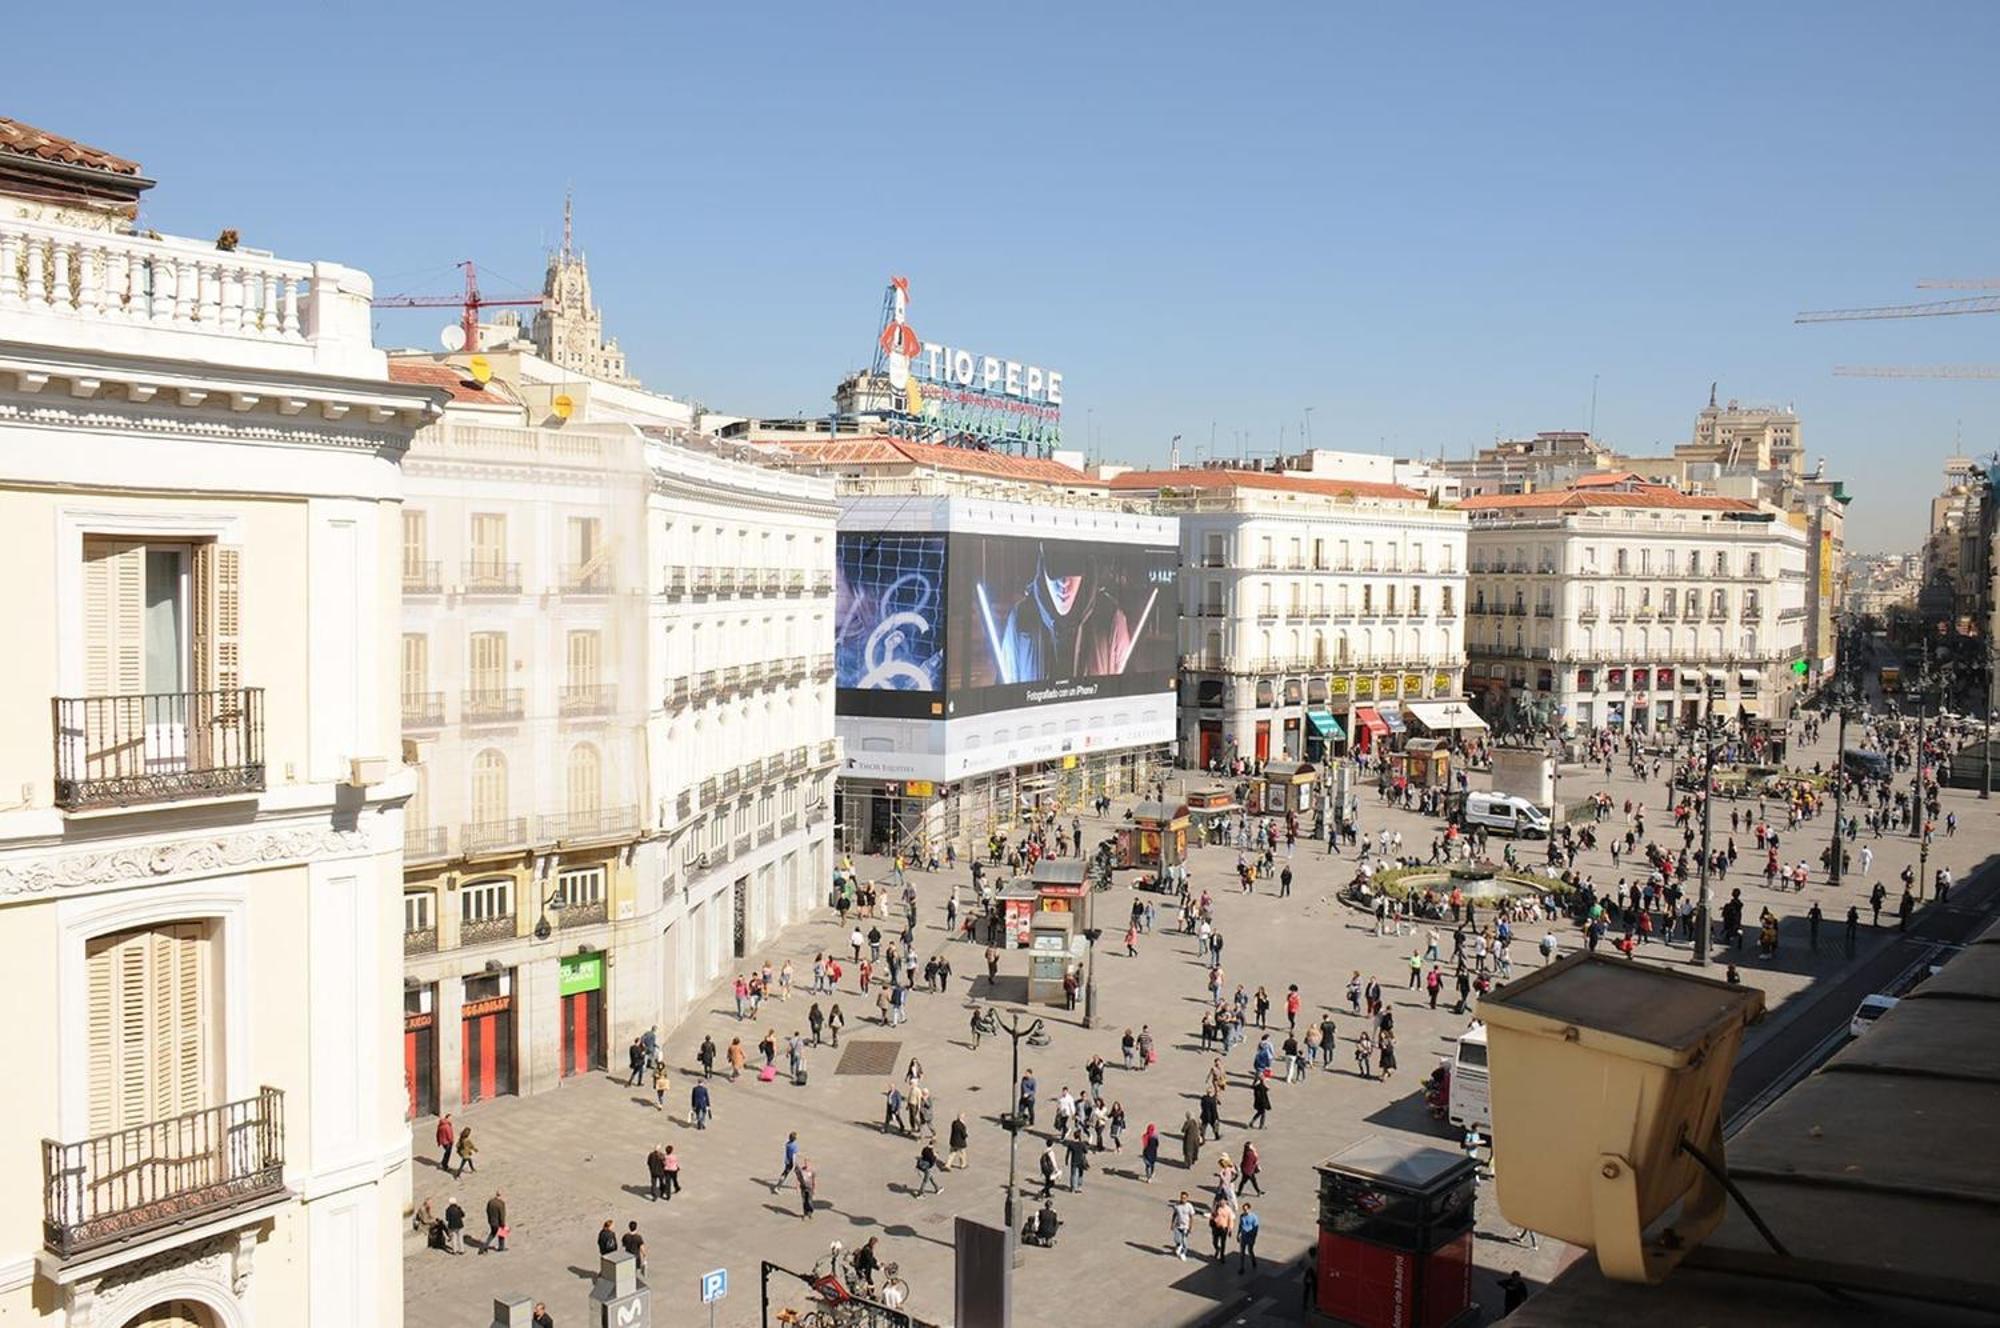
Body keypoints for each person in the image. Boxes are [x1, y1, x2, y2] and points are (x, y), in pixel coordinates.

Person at [1169, 1192, 1197, 1261]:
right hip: (1178, 1225)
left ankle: (1183, 1253)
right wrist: (1172, 1223)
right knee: (1177, 1238)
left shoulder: (1189, 1206)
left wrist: (1190, 1227)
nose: (1183, 1199)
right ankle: (1178, 1246)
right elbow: (1174, 1214)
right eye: (1181, 1198)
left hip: (1185, 1226)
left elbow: (1191, 1217)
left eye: (1184, 1198)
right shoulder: (1177, 1205)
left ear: (1187, 1198)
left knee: (1184, 1241)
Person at [1209, 1195, 1235, 1262]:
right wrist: (1211, 1222)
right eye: (1221, 1201)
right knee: (1214, 1242)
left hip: (1223, 1228)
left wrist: (1230, 1229)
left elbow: (1230, 1220)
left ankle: (1222, 1256)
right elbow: (1212, 1215)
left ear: (1226, 1201)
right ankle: (1217, 1249)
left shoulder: (1228, 1210)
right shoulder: (1216, 1207)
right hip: (1215, 1227)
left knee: (1223, 1243)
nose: (1222, 1202)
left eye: (1223, 1201)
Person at [1237, 1202, 1261, 1272]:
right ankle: (1242, 1267)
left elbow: (1255, 1228)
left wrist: (1253, 1237)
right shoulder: (1242, 1216)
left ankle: (1253, 1261)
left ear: (1249, 1209)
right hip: (1243, 1236)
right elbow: (1240, 1225)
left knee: (1250, 1250)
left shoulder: (1254, 1217)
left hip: (1250, 1237)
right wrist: (1238, 1234)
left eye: (1246, 1209)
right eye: (1244, 1209)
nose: (1245, 1211)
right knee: (1242, 1252)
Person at [482, 1189, 507, 1254]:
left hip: (491, 1221)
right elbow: (502, 1215)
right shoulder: (501, 1203)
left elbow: (487, 1210)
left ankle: (485, 1246)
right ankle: (501, 1247)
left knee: (492, 1234)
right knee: (501, 1234)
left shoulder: (490, 1202)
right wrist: (503, 1224)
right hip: (498, 1222)